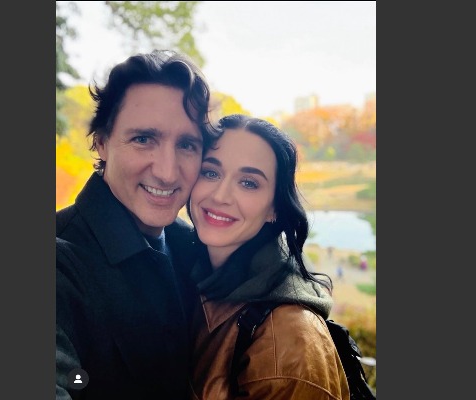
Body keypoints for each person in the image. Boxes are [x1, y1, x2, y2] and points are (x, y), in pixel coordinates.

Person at [55, 50, 218, 400]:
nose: (167, 172)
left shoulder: (194, 246)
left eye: (187, 144)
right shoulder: (59, 266)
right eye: (143, 139)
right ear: (101, 141)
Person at [187, 114, 350, 399]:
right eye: (210, 172)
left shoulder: (289, 343)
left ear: (275, 208)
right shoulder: (192, 273)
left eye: (248, 183)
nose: (220, 196)